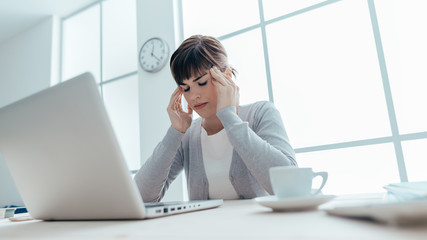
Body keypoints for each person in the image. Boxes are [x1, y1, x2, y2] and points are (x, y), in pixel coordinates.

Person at [134, 35, 296, 202]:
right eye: (186, 88)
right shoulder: (188, 136)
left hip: (260, 228)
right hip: (203, 228)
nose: (194, 96)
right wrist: (175, 132)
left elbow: (290, 184)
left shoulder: (262, 113)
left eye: (202, 83)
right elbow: (140, 197)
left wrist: (228, 116)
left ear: (226, 76)